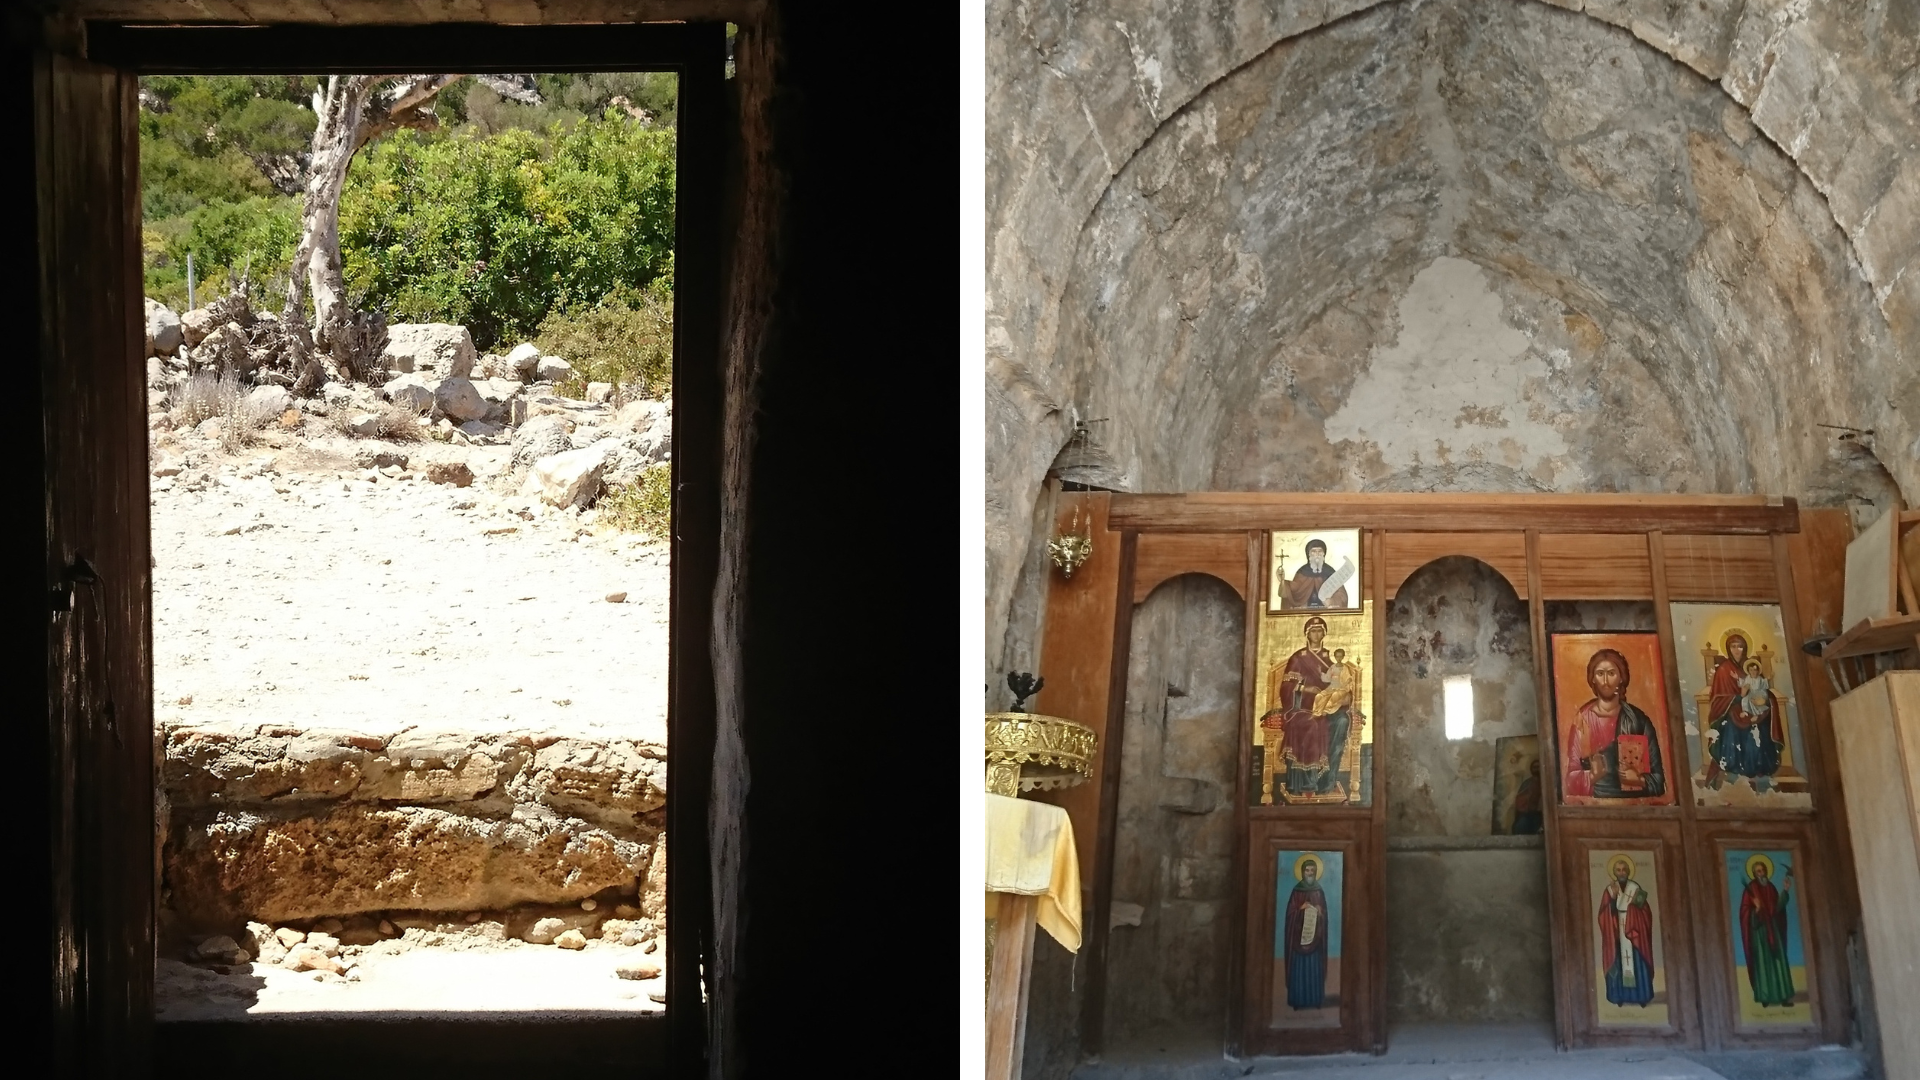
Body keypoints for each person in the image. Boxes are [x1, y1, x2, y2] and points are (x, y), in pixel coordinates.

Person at [1266, 618, 1364, 799]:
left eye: (1320, 631)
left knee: (1342, 722)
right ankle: (1306, 783)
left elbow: (1342, 684)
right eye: (1313, 631)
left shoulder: (1331, 658)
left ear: (1324, 634)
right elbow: (1286, 688)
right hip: (1301, 708)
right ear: (1307, 634)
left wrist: (1340, 698)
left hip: (1328, 707)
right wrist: (1305, 688)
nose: (1316, 635)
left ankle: (1327, 781)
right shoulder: (1298, 658)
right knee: (1311, 725)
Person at [1562, 648, 1666, 800]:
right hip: (1595, 807)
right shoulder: (1582, 721)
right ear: (1592, 679)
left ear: (1621, 678)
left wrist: (1639, 780)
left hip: (1636, 807)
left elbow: (1659, 782)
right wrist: (1591, 776)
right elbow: (1569, 781)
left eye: (1611, 673)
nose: (1605, 681)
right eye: (1600, 674)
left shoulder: (1638, 720)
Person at [1705, 633, 1783, 788]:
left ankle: (1760, 774)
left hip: (1754, 709)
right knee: (1731, 727)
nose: (1736, 650)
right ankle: (1734, 774)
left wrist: (1765, 699)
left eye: (1740, 646)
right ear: (1728, 648)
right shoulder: (1723, 670)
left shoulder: (1752, 667)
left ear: (1745, 648)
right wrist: (1739, 699)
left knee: (1761, 724)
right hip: (1733, 711)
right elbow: (1718, 700)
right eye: (1733, 646)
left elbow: (1761, 689)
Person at [1597, 855, 1656, 1007]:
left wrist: (1632, 911)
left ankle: (1641, 996)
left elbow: (1646, 913)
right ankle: (1619, 996)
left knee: (1637, 962)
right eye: (1618, 870)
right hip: (1616, 933)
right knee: (1618, 962)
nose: (1621, 872)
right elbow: (1603, 915)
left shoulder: (1635, 888)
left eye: (1624, 870)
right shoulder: (1610, 890)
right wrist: (1613, 899)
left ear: (1628, 871)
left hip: (1634, 933)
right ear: (1614, 872)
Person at [1739, 856, 1797, 1008]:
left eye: (1763, 870)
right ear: (1754, 873)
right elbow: (1745, 913)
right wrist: (1756, 909)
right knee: (1763, 964)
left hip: (1773, 930)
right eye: (1758, 871)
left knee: (1778, 961)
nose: (1761, 873)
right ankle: (1765, 997)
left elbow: (1777, 908)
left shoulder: (1770, 887)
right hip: (1759, 934)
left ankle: (1783, 996)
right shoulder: (1750, 889)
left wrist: (1785, 890)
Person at [1283, 856, 1331, 1010]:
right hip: (1298, 939)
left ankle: (1315, 1000)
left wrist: (1320, 911)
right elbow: (1290, 913)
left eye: (1312, 870)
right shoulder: (1296, 891)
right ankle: (1298, 1000)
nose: (1310, 873)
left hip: (1315, 939)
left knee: (1313, 969)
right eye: (1307, 870)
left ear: (1316, 872)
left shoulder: (1319, 891)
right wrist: (1300, 909)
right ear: (1302, 872)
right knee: (1299, 970)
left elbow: (1324, 915)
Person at [1283, 539, 1351, 610]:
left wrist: (1332, 601)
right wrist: (1282, 582)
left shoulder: (1330, 571)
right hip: (1305, 611)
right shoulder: (1302, 571)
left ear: (1324, 554)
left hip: (1326, 612)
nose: (1317, 554)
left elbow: (1342, 595)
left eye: (1320, 551)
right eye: (1314, 552)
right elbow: (1294, 590)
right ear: (1308, 554)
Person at [1509, 758, 1543, 834]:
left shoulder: (1545, 783)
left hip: (1540, 814)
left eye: (1538, 767)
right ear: (1531, 769)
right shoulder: (1527, 783)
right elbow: (1520, 799)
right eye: (1535, 767)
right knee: (1521, 824)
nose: (1537, 769)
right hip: (1527, 813)